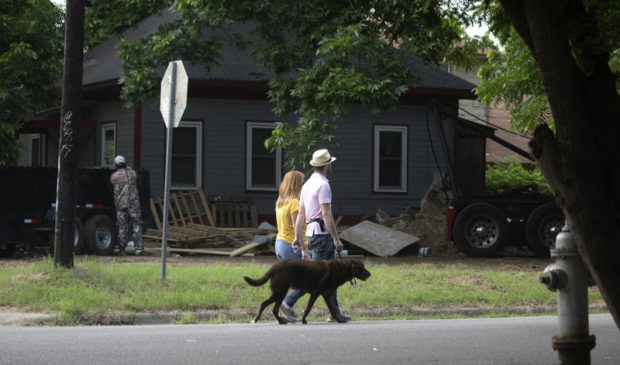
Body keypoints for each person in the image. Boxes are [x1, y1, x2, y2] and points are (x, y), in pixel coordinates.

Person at [292, 148, 351, 322]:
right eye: (330, 164)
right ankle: (288, 302)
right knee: (317, 276)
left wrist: (298, 237)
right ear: (327, 166)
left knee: (330, 275)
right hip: (322, 235)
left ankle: (335, 313)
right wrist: (336, 238)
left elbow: (301, 214)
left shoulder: (307, 185)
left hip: (311, 233)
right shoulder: (323, 185)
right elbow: (326, 214)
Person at [274, 170, 310, 323]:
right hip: (292, 245)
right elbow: (297, 229)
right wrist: (304, 251)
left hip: (280, 244)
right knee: (311, 280)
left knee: (289, 281)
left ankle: (282, 310)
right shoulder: (295, 203)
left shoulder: (280, 202)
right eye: (301, 183)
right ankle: (287, 303)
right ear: (297, 185)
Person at [110, 155, 144, 256]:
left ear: (116, 165)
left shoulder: (113, 177)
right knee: (137, 226)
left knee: (122, 227)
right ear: (125, 163)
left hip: (121, 204)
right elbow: (135, 176)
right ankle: (139, 249)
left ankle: (122, 249)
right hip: (134, 204)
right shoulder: (132, 173)